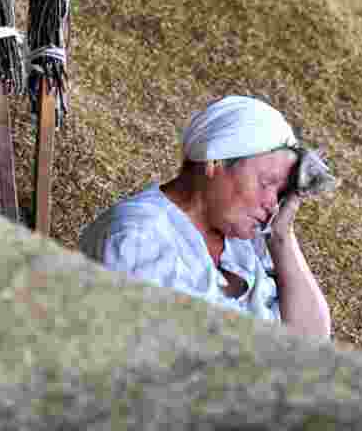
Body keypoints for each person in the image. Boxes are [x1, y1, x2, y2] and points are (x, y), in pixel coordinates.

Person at [79, 95, 332, 340]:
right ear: (215, 161)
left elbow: (313, 340)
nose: (272, 203)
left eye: (280, 192)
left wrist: (281, 237)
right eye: (267, 182)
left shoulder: (247, 244)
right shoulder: (137, 238)